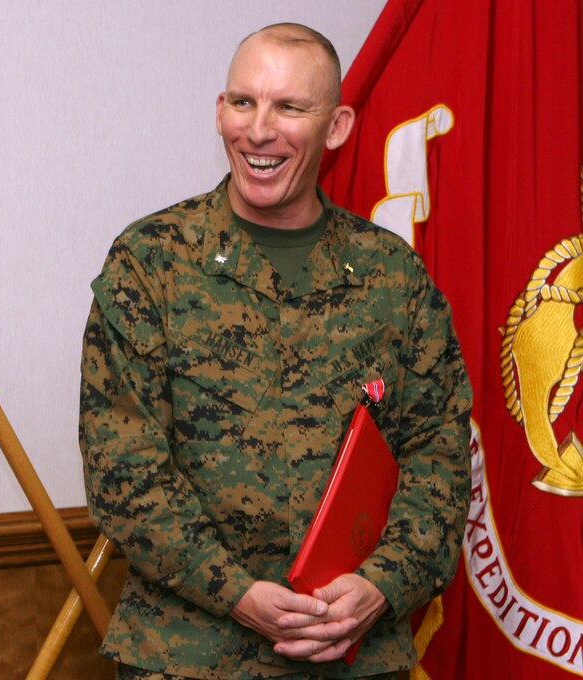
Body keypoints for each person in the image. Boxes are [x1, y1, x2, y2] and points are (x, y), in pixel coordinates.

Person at [79, 22, 472, 680]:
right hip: (189, 656)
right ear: (220, 111)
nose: (259, 130)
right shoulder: (151, 262)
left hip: (353, 653)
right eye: (243, 102)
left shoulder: (392, 278)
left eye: (289, 107)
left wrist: (381, 586)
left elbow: (439, 458)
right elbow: (125, 471)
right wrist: (236, 594)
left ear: (339, 125)